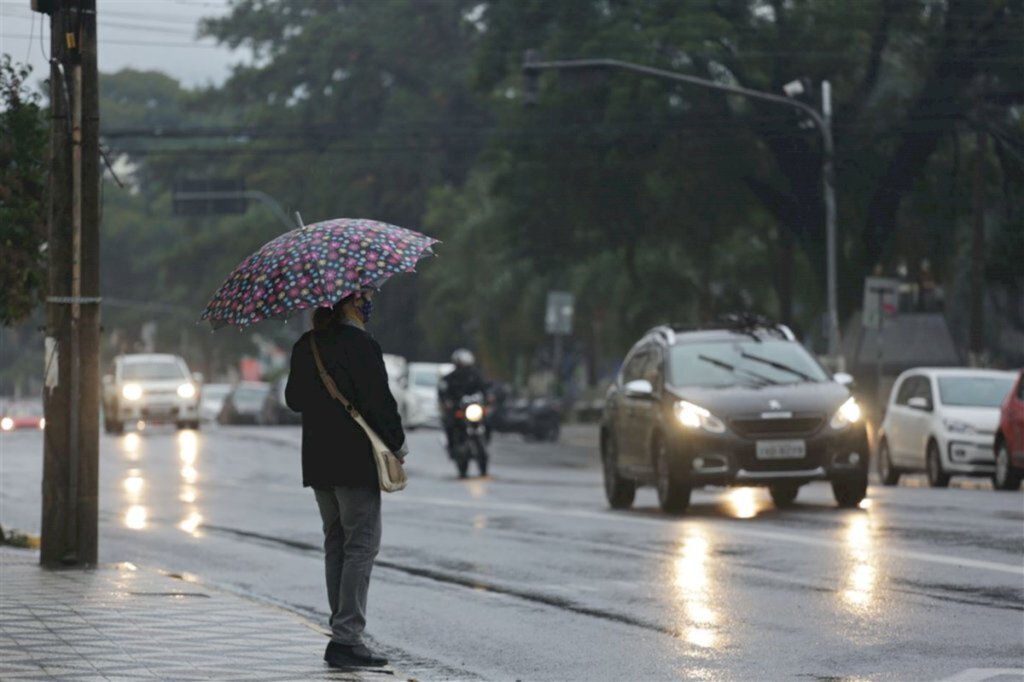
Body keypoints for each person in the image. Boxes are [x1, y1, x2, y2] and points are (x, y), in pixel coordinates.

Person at [285, 289, 408, 669]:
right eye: (366, 295)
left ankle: (341, 633)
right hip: (355, 462)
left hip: (320, 463)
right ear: (352, 304)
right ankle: (346, 637)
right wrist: (398, 445)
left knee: (336, 542)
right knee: (360, 546)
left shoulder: (308, 345)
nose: (370, 301)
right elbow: (379, 401)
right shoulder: (362, 344)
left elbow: (294, 399)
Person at [438, 348, 487, 453]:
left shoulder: (476, 375)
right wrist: (447, 402)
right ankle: (452, 446)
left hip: (472, 405)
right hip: (457, 407)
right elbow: (443, 391)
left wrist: (490, 396)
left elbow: (484, 388)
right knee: (450, 423)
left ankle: (485, 440)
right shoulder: (450, 378)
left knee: (488, 420)